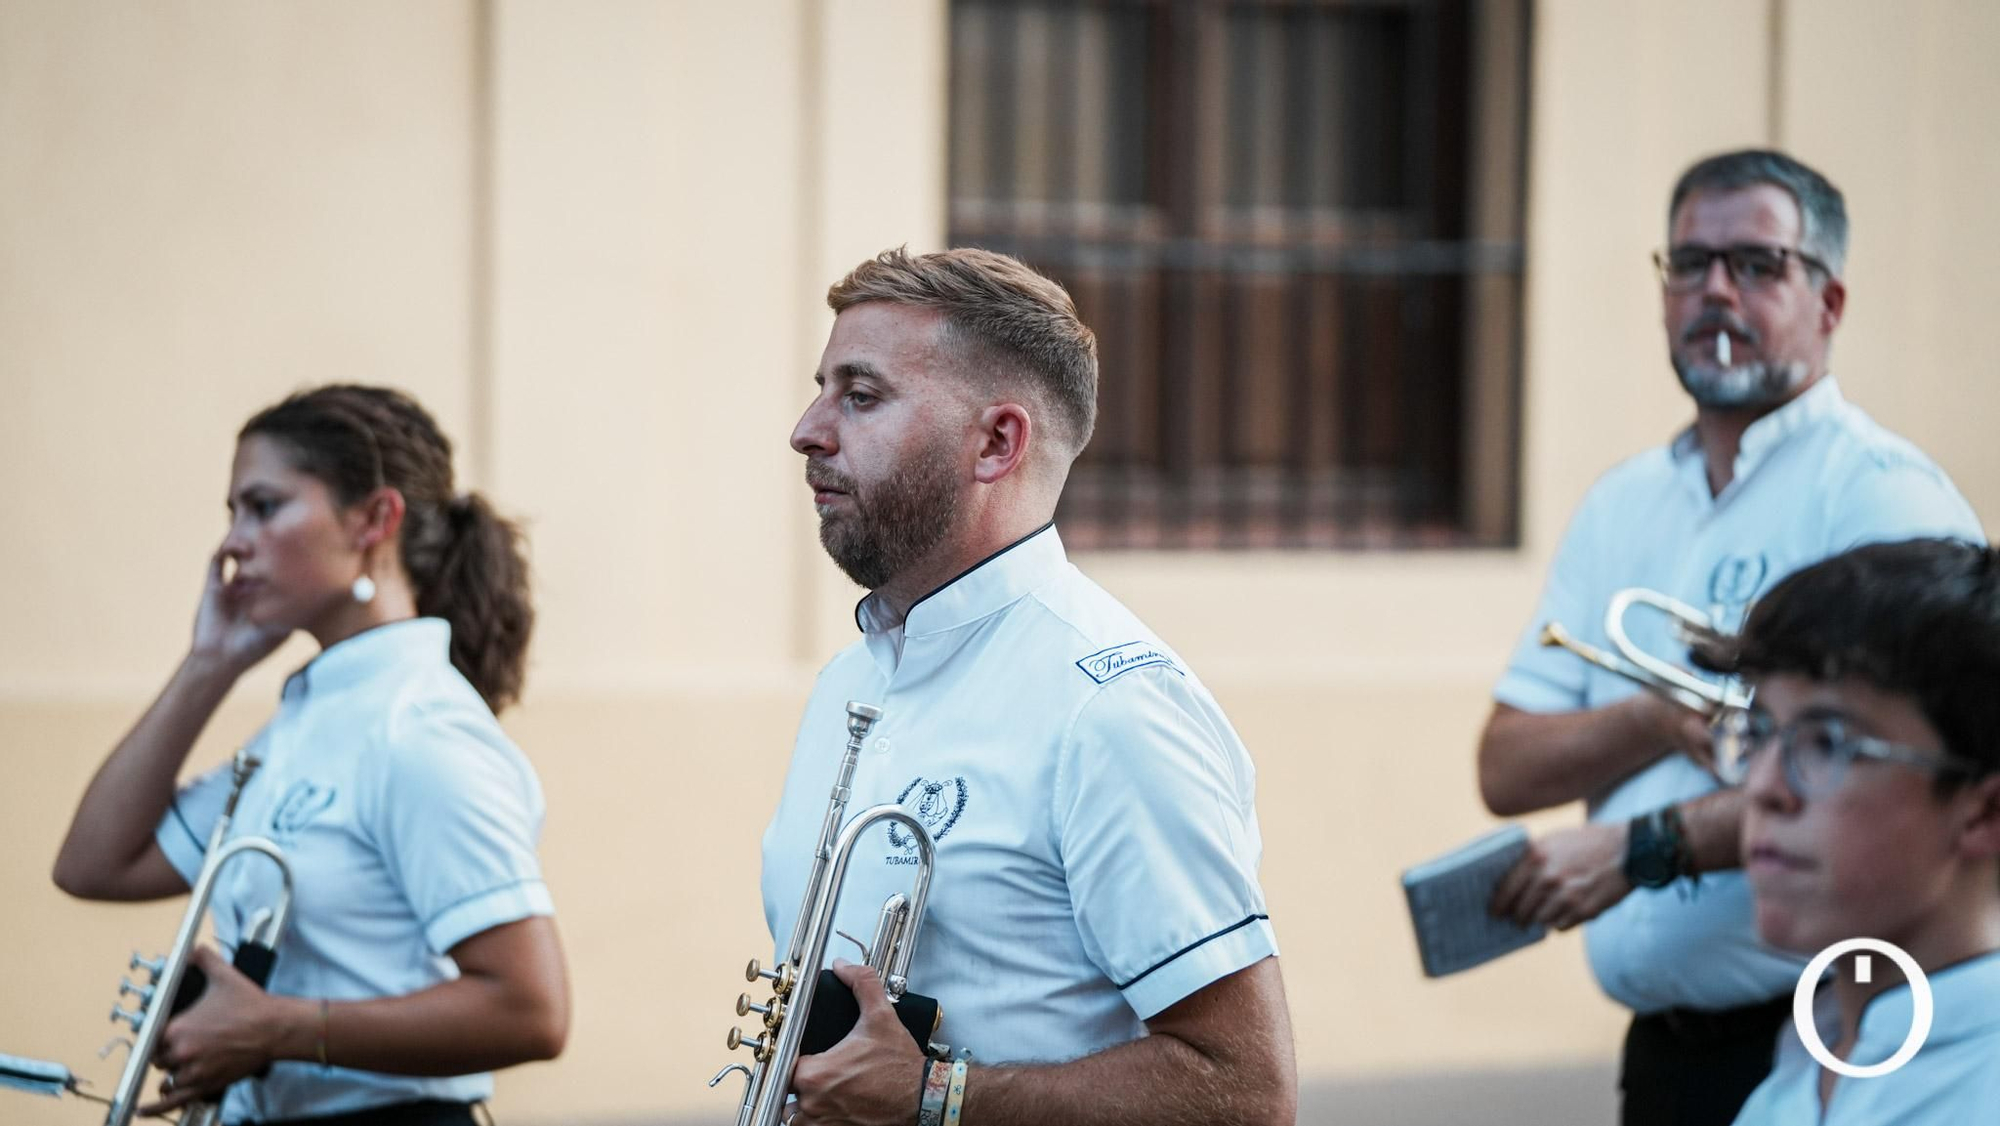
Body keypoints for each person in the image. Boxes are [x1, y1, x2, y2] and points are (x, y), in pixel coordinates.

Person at [1480, 150, 1982, 1126]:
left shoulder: (1882, 496)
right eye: (1689, 263)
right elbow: (1505, 766)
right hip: (1666, 1053)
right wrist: (1657, 717)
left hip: (1829, 1024)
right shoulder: (1621, 503)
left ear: (1828, 302)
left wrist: (1642, 846)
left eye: (1755, 264)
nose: (1714, 289)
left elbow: (1914, 779)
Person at [756, 247, 1295, 1126]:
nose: (808, 430)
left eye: (861, 396)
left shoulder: (1111, 707)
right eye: (824, 390)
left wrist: (935, 1097)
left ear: (998, 443)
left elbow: (1246, 1090)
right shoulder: (849, 682)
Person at [51, 385, 569, 1125]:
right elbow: (95, 865)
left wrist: (275, 1029)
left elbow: (532, 1010)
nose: (232, 545)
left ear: (375, 520)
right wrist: (209, 664)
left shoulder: (420, 731)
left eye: (264, 508)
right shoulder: (309, 723)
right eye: (233, 513)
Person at [1689, 539, 2000, 1123]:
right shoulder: (1801, 1072)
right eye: (1759, 733)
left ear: (1983, 814)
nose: (1763, 787)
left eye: (1828, 743)